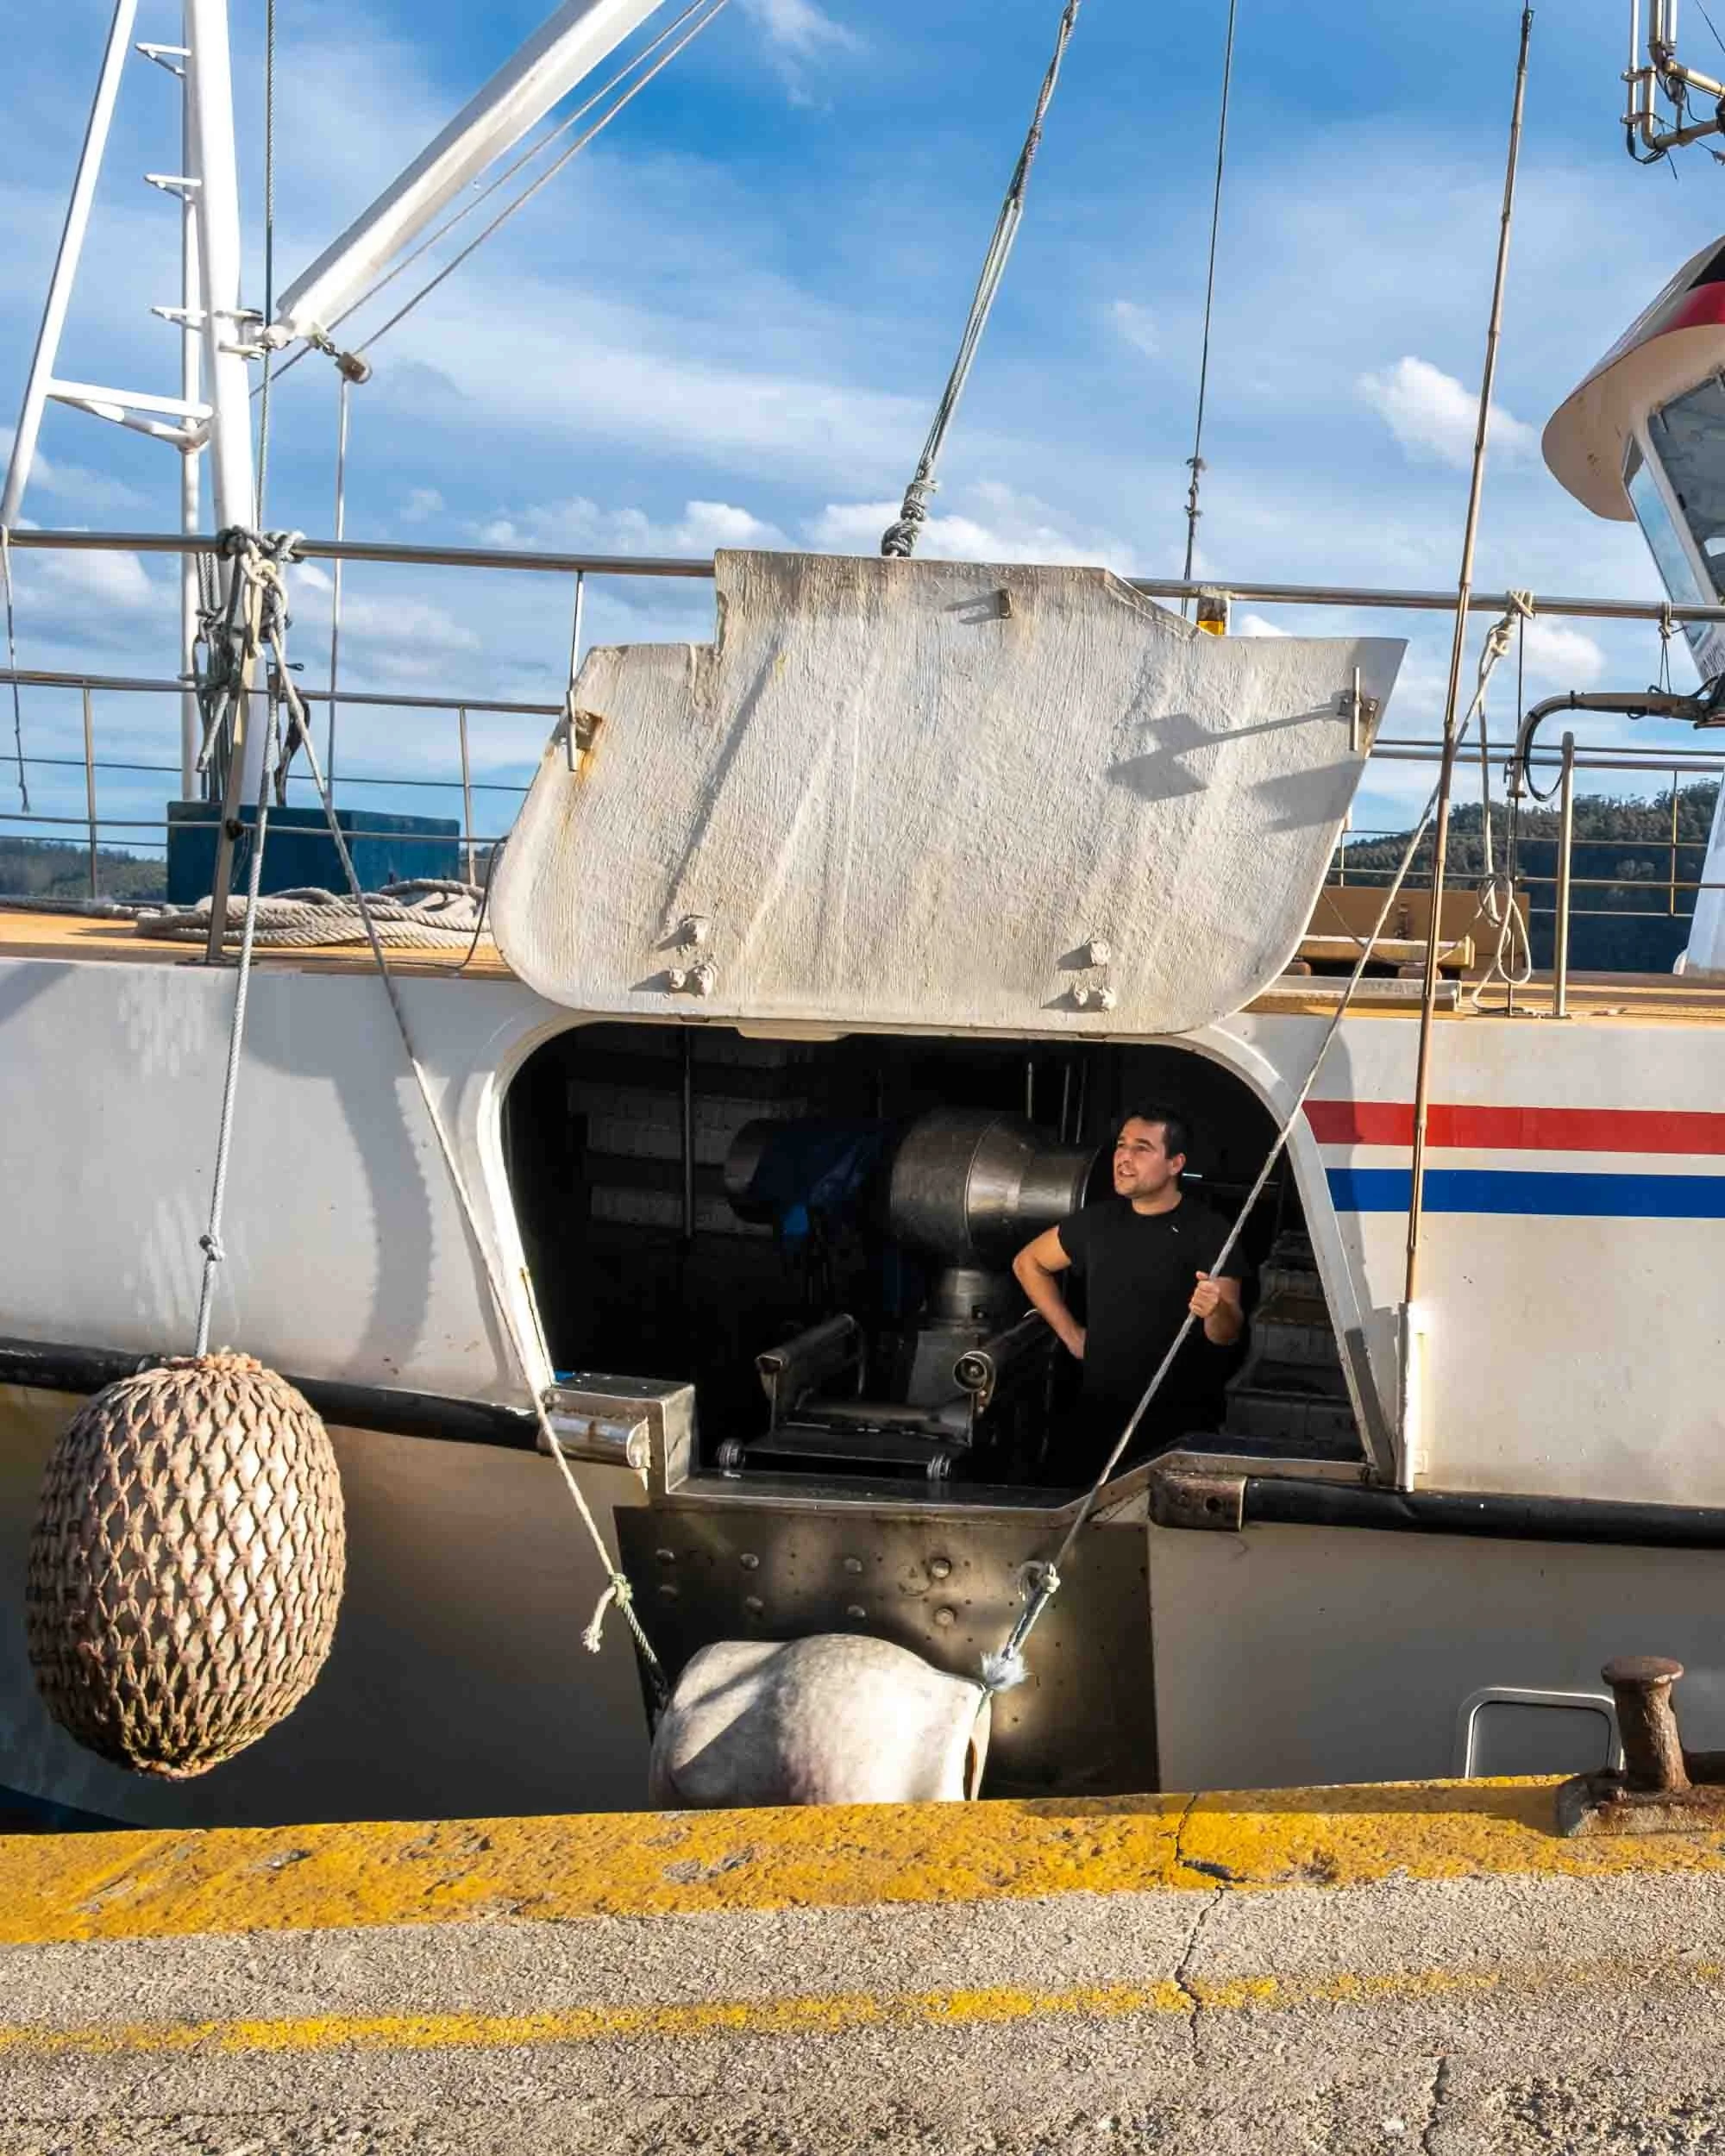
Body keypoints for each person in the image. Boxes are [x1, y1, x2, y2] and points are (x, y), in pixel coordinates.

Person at [1013, 1106, 1245, 1480]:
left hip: (1177, 1432)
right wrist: (1072, 1336)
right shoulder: (1097, 1223)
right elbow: (1028, 1263)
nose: (1124, 1157)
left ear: (1175, 1164)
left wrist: (1215, 1309)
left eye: (1142, 1148)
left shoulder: (1209, 1231)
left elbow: (1226, 1334)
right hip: (1098, 1423)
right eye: (1122, 1145)